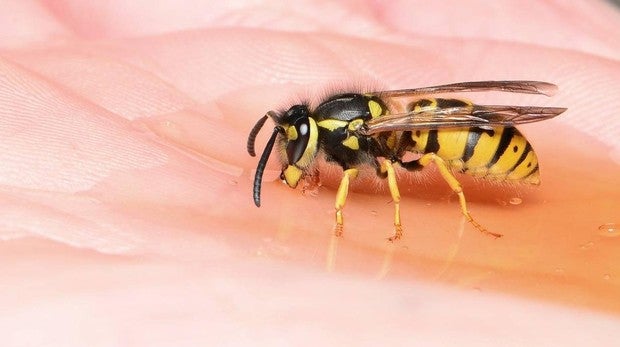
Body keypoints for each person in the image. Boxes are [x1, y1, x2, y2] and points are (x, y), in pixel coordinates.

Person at [1, 1, 619, 345]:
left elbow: (371, 168)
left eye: (297, 145)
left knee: (427, 156)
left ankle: (461, 210)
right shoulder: (344, 127)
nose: (298, 154)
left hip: (479, 146)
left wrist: (362, 214)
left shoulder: (357, 138)